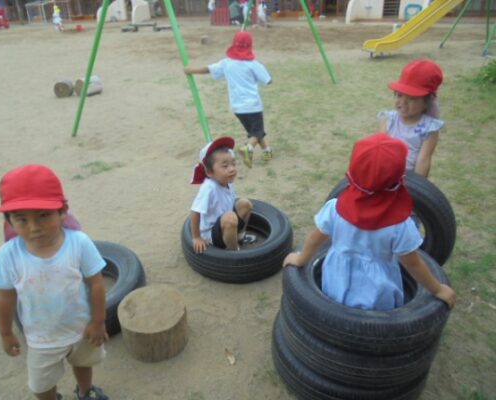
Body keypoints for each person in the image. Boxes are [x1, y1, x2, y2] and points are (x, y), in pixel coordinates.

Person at [283, 133, 456, 311]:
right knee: (373, 327)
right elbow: (413, 263)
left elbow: (314, 239)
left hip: (336, 278)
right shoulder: (401, 225)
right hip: (378, 290)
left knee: (336, 316)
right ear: (399, 178)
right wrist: (438, 289)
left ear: (351, 173)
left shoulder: (335, 208)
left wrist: (300, 259)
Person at [0, 164, 110, 400]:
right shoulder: (8, 255)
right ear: (9, 221)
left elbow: (96, 282)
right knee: (42, 385)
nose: (34, 228)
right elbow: (5, 296)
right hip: (41, 339)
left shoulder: (79, 243)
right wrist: (6, 333)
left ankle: (86, 391)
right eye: (21, 219)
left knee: (83, 363)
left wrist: (98, 321)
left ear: (62, 211)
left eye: (43, 215)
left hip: (81, 328)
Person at [184, 31, 273, 169]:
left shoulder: (226, 63)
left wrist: (191, 70)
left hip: (237, 107)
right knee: (257, 131)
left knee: (254, 132)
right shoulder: (253, 64)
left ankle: (267, 151)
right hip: (252, 105)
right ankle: (248, 148)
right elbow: (268, 80)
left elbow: (209, 69)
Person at [378, 59, 444, 177]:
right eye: (399, 95)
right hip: (384, 176)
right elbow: (379, 152)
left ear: (427, 102)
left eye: (412, 98)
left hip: (408, 179)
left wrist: (416, 188)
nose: (403, 102)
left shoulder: (429, 128)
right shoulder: (388, 120)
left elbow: (423, 160)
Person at [189, 136, 255, 253]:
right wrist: (196, 237)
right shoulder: (209, 188)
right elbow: (195, 211)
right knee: (230, 217)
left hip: (227, 223)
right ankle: (234, 251)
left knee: (245, 204)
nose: (231, 169)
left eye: (233, 164)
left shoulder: (228, 181)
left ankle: (239, 237)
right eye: (225, 166)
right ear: (209, 172)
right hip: (211, 234)